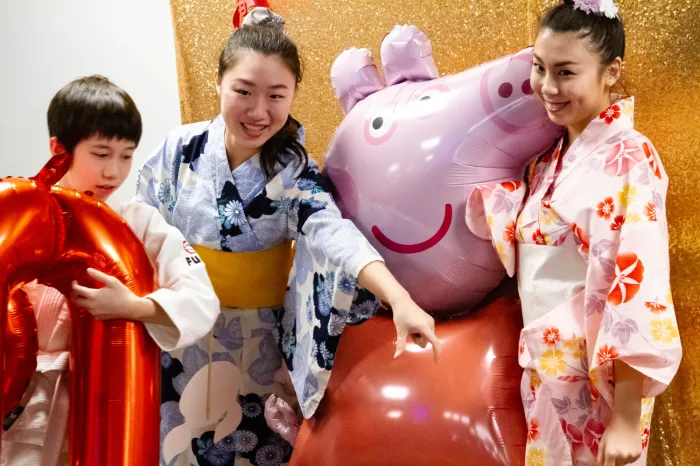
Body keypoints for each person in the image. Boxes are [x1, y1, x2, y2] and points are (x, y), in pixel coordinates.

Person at [134, 7, 439, 466]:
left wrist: (399, 299)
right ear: (218, 83)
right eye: (243, 91)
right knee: (175, 449)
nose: (259, 111)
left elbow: (333, 233)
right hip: (180, 336)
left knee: (260, 450)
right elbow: (137, 233)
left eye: (277, 95)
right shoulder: (179, 151)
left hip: (259, 344)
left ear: (293, 94)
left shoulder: (293, 170)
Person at [467, 1, 681, 465]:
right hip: (547, 366)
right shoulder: (548, 158)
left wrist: (625, 416)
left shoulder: (629, 155)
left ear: (610, 72)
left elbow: (638, 284)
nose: (547, 87)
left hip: (600, 380)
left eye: (566, 72)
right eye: (539, 68)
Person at [1, 75, 220, 466]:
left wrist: (137, 307)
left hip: (98, 404)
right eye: (101, 154)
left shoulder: (138, 223)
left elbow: (201, 297)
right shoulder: (23, 213)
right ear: (59, 150)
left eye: (126, 155)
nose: (114, 172)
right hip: (21, 400)